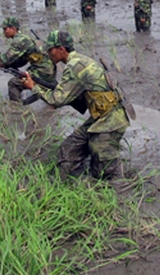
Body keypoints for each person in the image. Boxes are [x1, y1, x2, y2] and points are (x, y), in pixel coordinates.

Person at [21, 30, 131, 180]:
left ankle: (119, 187)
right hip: (102, 116)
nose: (48, 53)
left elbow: (57, 100)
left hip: (111, 119)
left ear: (61, 49)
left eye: (50, 49)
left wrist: (33, 87)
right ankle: (61, 182)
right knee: (69, 149)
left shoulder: (75, 66)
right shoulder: (79, 60)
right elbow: (68, 94)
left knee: (105, 171)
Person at [0, 17, 56, 102]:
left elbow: (3, 60)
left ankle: (16, 107)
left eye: (5, 29)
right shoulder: (23, 37)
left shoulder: (19, 41)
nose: (3, 32)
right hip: (48, 69)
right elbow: (22, 61)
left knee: (13, 84)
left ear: (13, 28)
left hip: (43, 71)